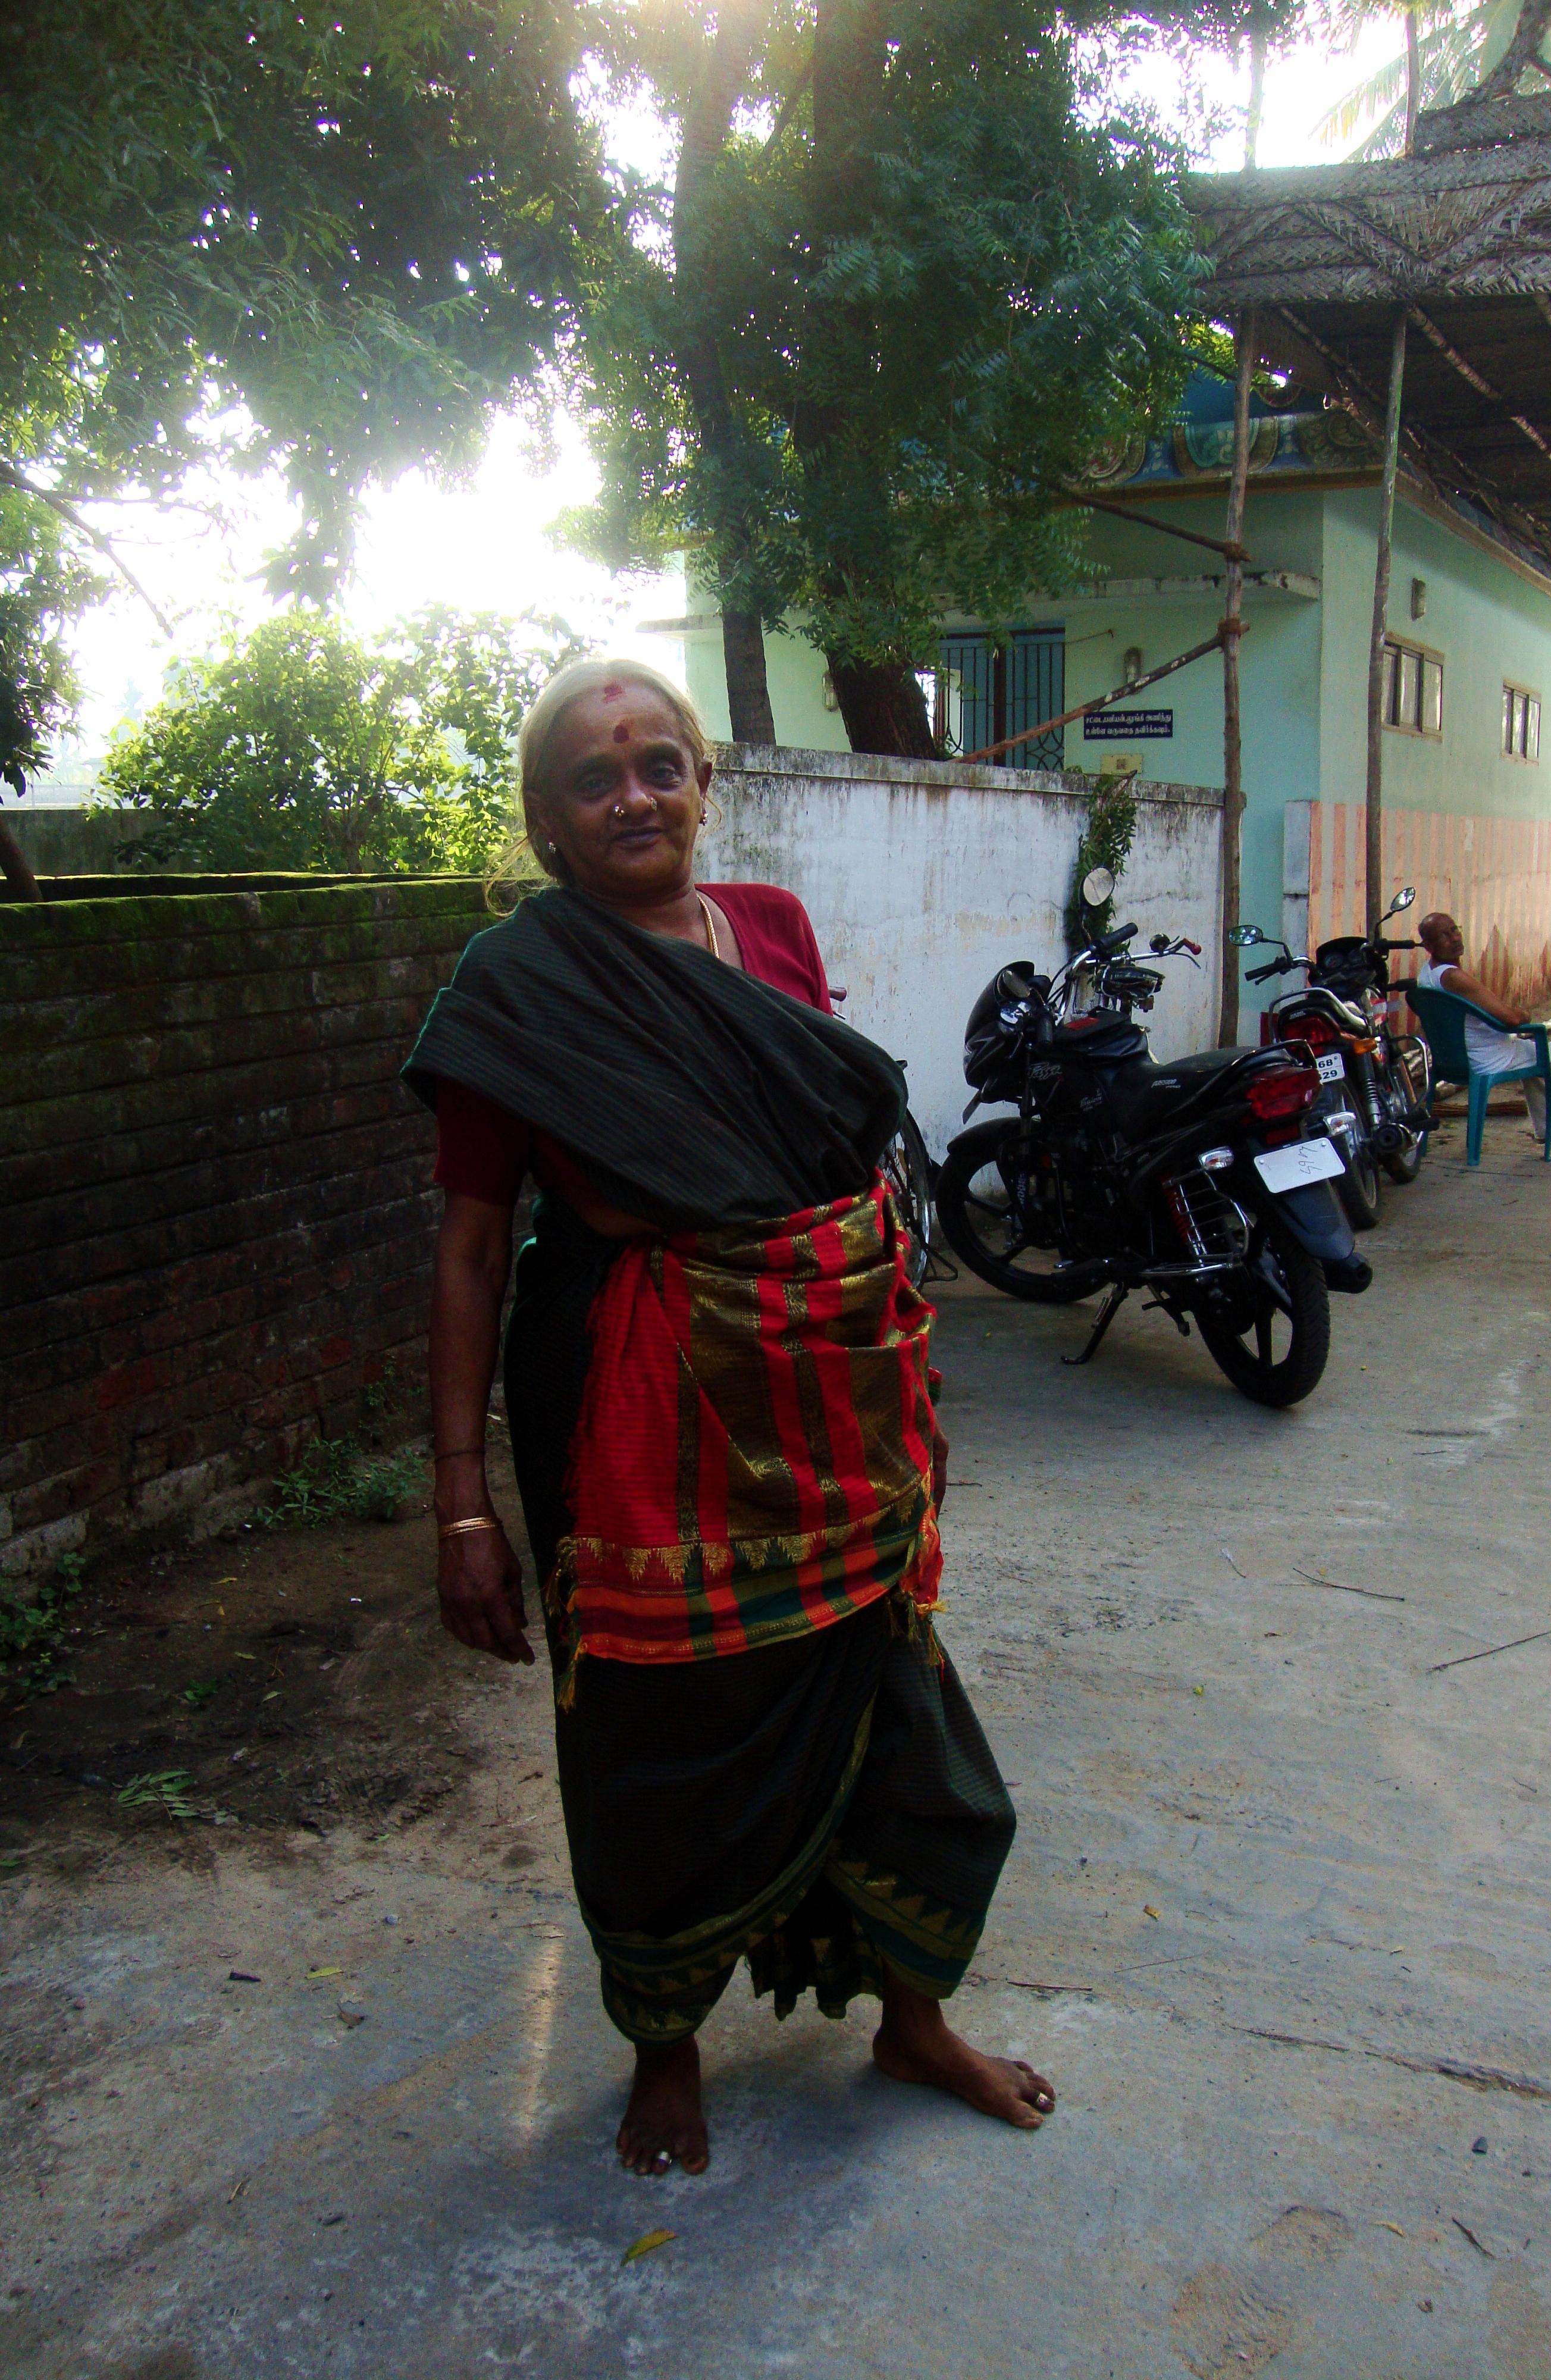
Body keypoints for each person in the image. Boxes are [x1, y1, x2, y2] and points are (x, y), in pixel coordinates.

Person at [403, 656, 1053, 2178]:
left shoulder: (770, 927)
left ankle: (911, 2018)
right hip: (634, 1402)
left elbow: (829, 1161)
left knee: (892, 1697)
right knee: (654, 1734)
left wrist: (898, 1363)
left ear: (704, 781)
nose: (632, 796)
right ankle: (665, 2048)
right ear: (546, 818)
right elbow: (472, 1249)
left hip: (829, 1382)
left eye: (659, 765)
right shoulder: (515, 988)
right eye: (593, 777)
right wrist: (461, 1498)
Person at [1417, 912, 1551, 1154]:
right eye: (1444, 936)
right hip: (1487, 1058)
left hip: (1452, 1061)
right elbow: (1511, 1019)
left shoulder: (1426, 975)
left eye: (1455, 930)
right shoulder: (1453, 977)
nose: (1455, 938)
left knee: (1537, 1057)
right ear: (1428, 946)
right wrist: (1524, 1015)